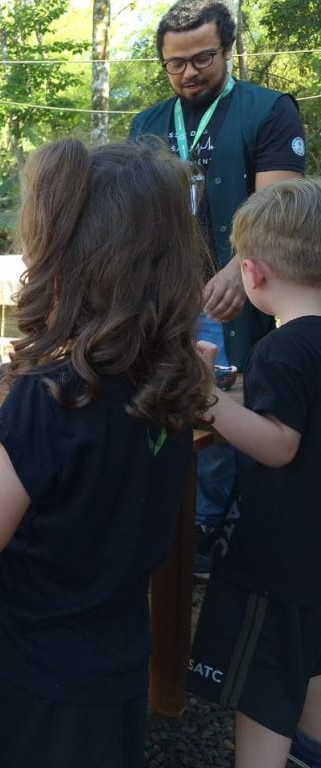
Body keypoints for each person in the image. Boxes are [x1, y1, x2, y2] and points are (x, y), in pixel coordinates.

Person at [0, 139, 213, 767]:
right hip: (116, 662)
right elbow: (101, 461)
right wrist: (10, 425)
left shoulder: (52, 396)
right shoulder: (170, 383)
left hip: (40, 673)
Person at [129, 0, 306, 577]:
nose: (189, 73)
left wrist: (239, 264)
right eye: (174, 64)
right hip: (162, 295)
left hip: (234, 290)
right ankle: (160, 519)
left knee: (228, 404)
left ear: (227, 49)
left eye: (202, 57)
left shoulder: (268, 111)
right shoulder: (148, 124)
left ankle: (212, 527)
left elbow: (276, 208)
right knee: (154, 400)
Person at [185, 178, 321, 768]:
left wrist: (204, 399)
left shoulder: (282, 348)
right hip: (315, 557)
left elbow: (279, 443)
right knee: (309, 663)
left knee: (264, 692)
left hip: (278, 561)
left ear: (253, 272)